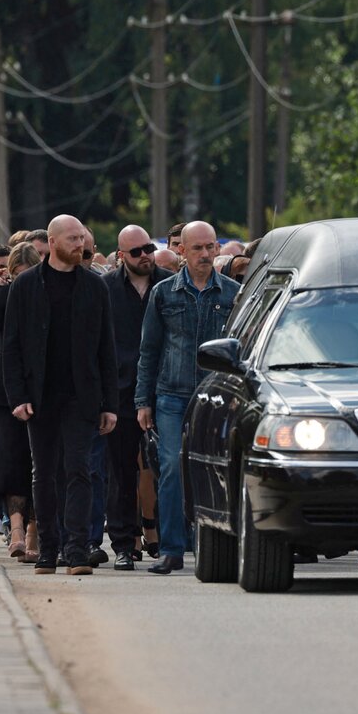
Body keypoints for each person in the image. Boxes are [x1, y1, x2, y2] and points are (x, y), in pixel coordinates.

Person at [3, 215, 118, 575]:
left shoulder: (95, 287)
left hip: (81, 395)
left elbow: (106, 348)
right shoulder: (25, 286)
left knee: (79, 470)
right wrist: (17, 397)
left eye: (81, 238)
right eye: (71, 239)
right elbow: (12, 346)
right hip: (40, 395)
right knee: (44, 473)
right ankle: (48, 549)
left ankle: (77, 549)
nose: (79, 245)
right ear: (52, 242)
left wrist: (110, 404)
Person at [136, 220, 240, 575]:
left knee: (215, 469)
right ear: (181, 250)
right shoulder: (163, 293)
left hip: (217, 396)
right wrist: (142, 401)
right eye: (198, 248)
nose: (206, 254)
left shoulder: (232, 293)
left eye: (211, 247)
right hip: (171, 395)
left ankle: (216, 543)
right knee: (169, 469)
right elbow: (148, 350)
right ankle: (172, 549)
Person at [105, 225, 174, 570]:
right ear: (121, 256)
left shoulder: (169, 284)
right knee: (120, 472)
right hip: (120, 392)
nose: (144, 255)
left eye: (148, 248)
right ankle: (122, 543)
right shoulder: (105, 288)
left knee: (168, 467)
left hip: (165, 389)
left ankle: (168, 538)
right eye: (136, 252)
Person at [0, 242, 42, 562]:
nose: (20, 279)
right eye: (15, 274)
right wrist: (1, 289)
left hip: (40, 385)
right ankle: (16, 530)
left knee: (39, 462)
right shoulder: (5, 293)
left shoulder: (43, 290)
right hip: (6, 389)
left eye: (25, 274)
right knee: (10, 461)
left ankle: (34, 531)